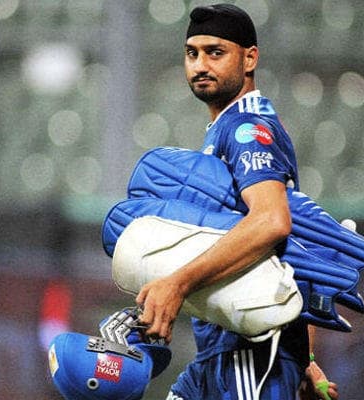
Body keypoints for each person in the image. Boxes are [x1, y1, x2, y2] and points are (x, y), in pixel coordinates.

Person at [134, 4, 339, 400]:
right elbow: (301, 247)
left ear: (250, 58)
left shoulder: (247, 128)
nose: (200, 65)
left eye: (216, 52)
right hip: (220, 352)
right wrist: (306, 356)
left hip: (249, 354)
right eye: (192, 53)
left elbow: (272, 222)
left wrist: (177, 284)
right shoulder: (228, 127)